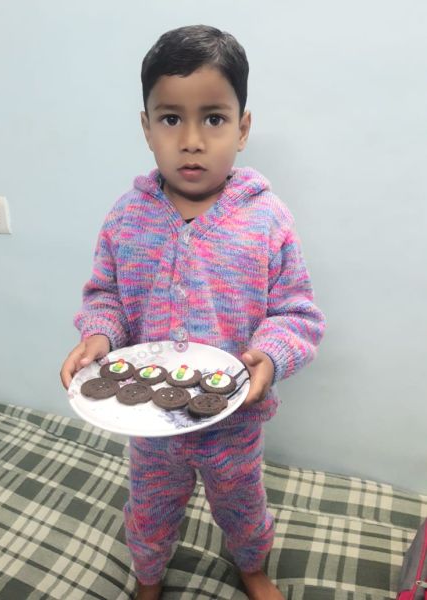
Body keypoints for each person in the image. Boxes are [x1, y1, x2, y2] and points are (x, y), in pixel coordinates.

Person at [60, 24, 325, 600]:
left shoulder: (267, 219)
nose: (192, 140)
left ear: (242, 128)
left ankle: (251, 566)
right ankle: (148, 576)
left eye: (214, 118)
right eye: (170, 118)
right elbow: (105, 295)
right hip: (149, 421)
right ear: (146, 128)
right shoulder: (126, 217)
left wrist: (271, 355)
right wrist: (99, 335)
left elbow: (296, 313)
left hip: (234, 422)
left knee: (243, 505)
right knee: (149, 508)